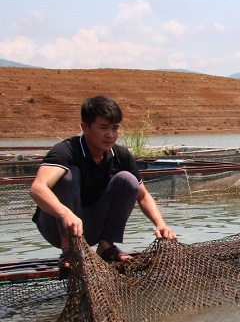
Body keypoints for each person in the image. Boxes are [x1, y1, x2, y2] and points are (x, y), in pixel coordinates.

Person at [29, 95, 177, 275]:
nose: (110, 135)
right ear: (85, 127)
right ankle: (69, 250)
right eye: (103, 128)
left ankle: (106, 247)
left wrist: (161, 224)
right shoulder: (66, 151)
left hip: (91, 227)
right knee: (68, 175)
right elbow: (38, 188)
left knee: (128, 180)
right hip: (56, 225)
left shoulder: (120, 155)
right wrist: (65, 213)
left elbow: (143, 196)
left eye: (115, 128)